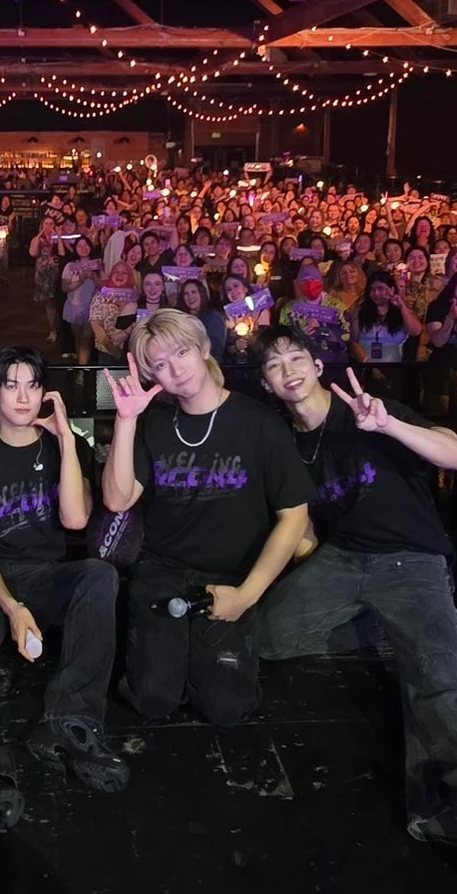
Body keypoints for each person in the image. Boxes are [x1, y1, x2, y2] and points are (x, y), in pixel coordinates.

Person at [250, 325, 457, 887]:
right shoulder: (286, 442)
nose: (289, 371)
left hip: (412, 562)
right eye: (275, 365)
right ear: (266, 383)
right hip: (343, 560)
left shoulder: (366, 409)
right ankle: (382, 629)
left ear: (316, 365)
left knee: (437, 678)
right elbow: (301, 520)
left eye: (297, 358)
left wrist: (389, 425)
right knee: (267, 638)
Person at [100, 309, 313, 728]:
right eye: (160, 364)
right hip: (163, 569)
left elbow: (294, 517)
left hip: (231, 574)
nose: (175, 369)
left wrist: (247, 595)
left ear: (203, 348)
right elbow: (117, 499)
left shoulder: (259, 423)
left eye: (181, 352)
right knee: (152, 698)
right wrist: (125, 421)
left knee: (226, 707)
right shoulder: (154, 422)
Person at [0, 348, 122, 833]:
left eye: (32, 385)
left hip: (45, 572)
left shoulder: (65, 445)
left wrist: (66, 440)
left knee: (99, 575)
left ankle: (71, 723)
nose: (22, 397)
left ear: (44, 393)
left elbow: (76, 519)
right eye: (11, 385)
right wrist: (12, 606)